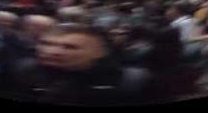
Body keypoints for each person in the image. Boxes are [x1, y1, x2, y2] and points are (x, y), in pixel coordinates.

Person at [10, 24, 149, 102]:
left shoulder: (130, 81)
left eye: (70, 47)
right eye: (46, 43)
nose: (51, 51)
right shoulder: (23, 70)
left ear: (100, 53)